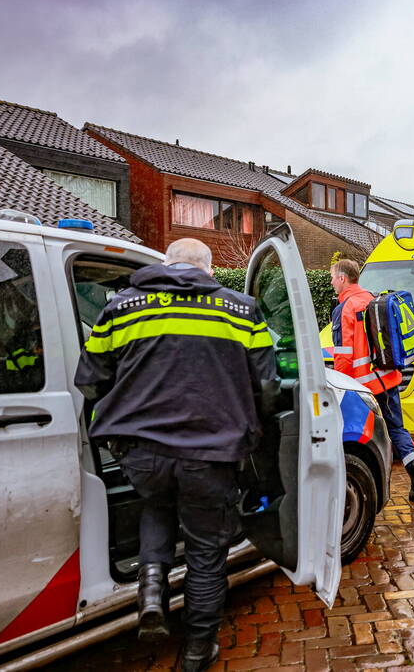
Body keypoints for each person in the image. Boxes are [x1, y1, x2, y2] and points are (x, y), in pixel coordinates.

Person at [75, 238, 274, 672]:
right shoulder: (240, 309)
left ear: (166, 265)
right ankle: (199, 651)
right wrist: (250, 426)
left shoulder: (120, 308)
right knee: (205, 552)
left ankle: (150, 594)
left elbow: (90, 380)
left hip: (142, 453)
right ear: (208, 271)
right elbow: (267, 387)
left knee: (157, 506)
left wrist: (126, 409)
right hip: (211, 454)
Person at [329, 259, 414, 502]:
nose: (332, 282)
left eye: (333, 277)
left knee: (362, 436)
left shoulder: (344, 308)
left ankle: (362, 490)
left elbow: (344, 355)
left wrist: (339, 386)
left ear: (343, 279)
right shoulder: (373, 300)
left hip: (363, 387)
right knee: (397, 429)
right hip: (389, 378)